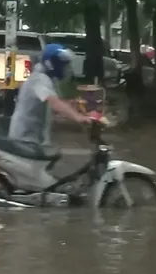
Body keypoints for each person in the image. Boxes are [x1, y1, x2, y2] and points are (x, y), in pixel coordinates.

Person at [7, 44, 96, 189]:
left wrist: (82, 112)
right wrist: (78, 118)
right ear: (52, 64)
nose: (66, 68)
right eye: (64, 64)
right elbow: (55, 103)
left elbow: (60, 102)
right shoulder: (40, 80)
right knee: (40, 177)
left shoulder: (48, 80)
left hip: (35, 137)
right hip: (25, 137)